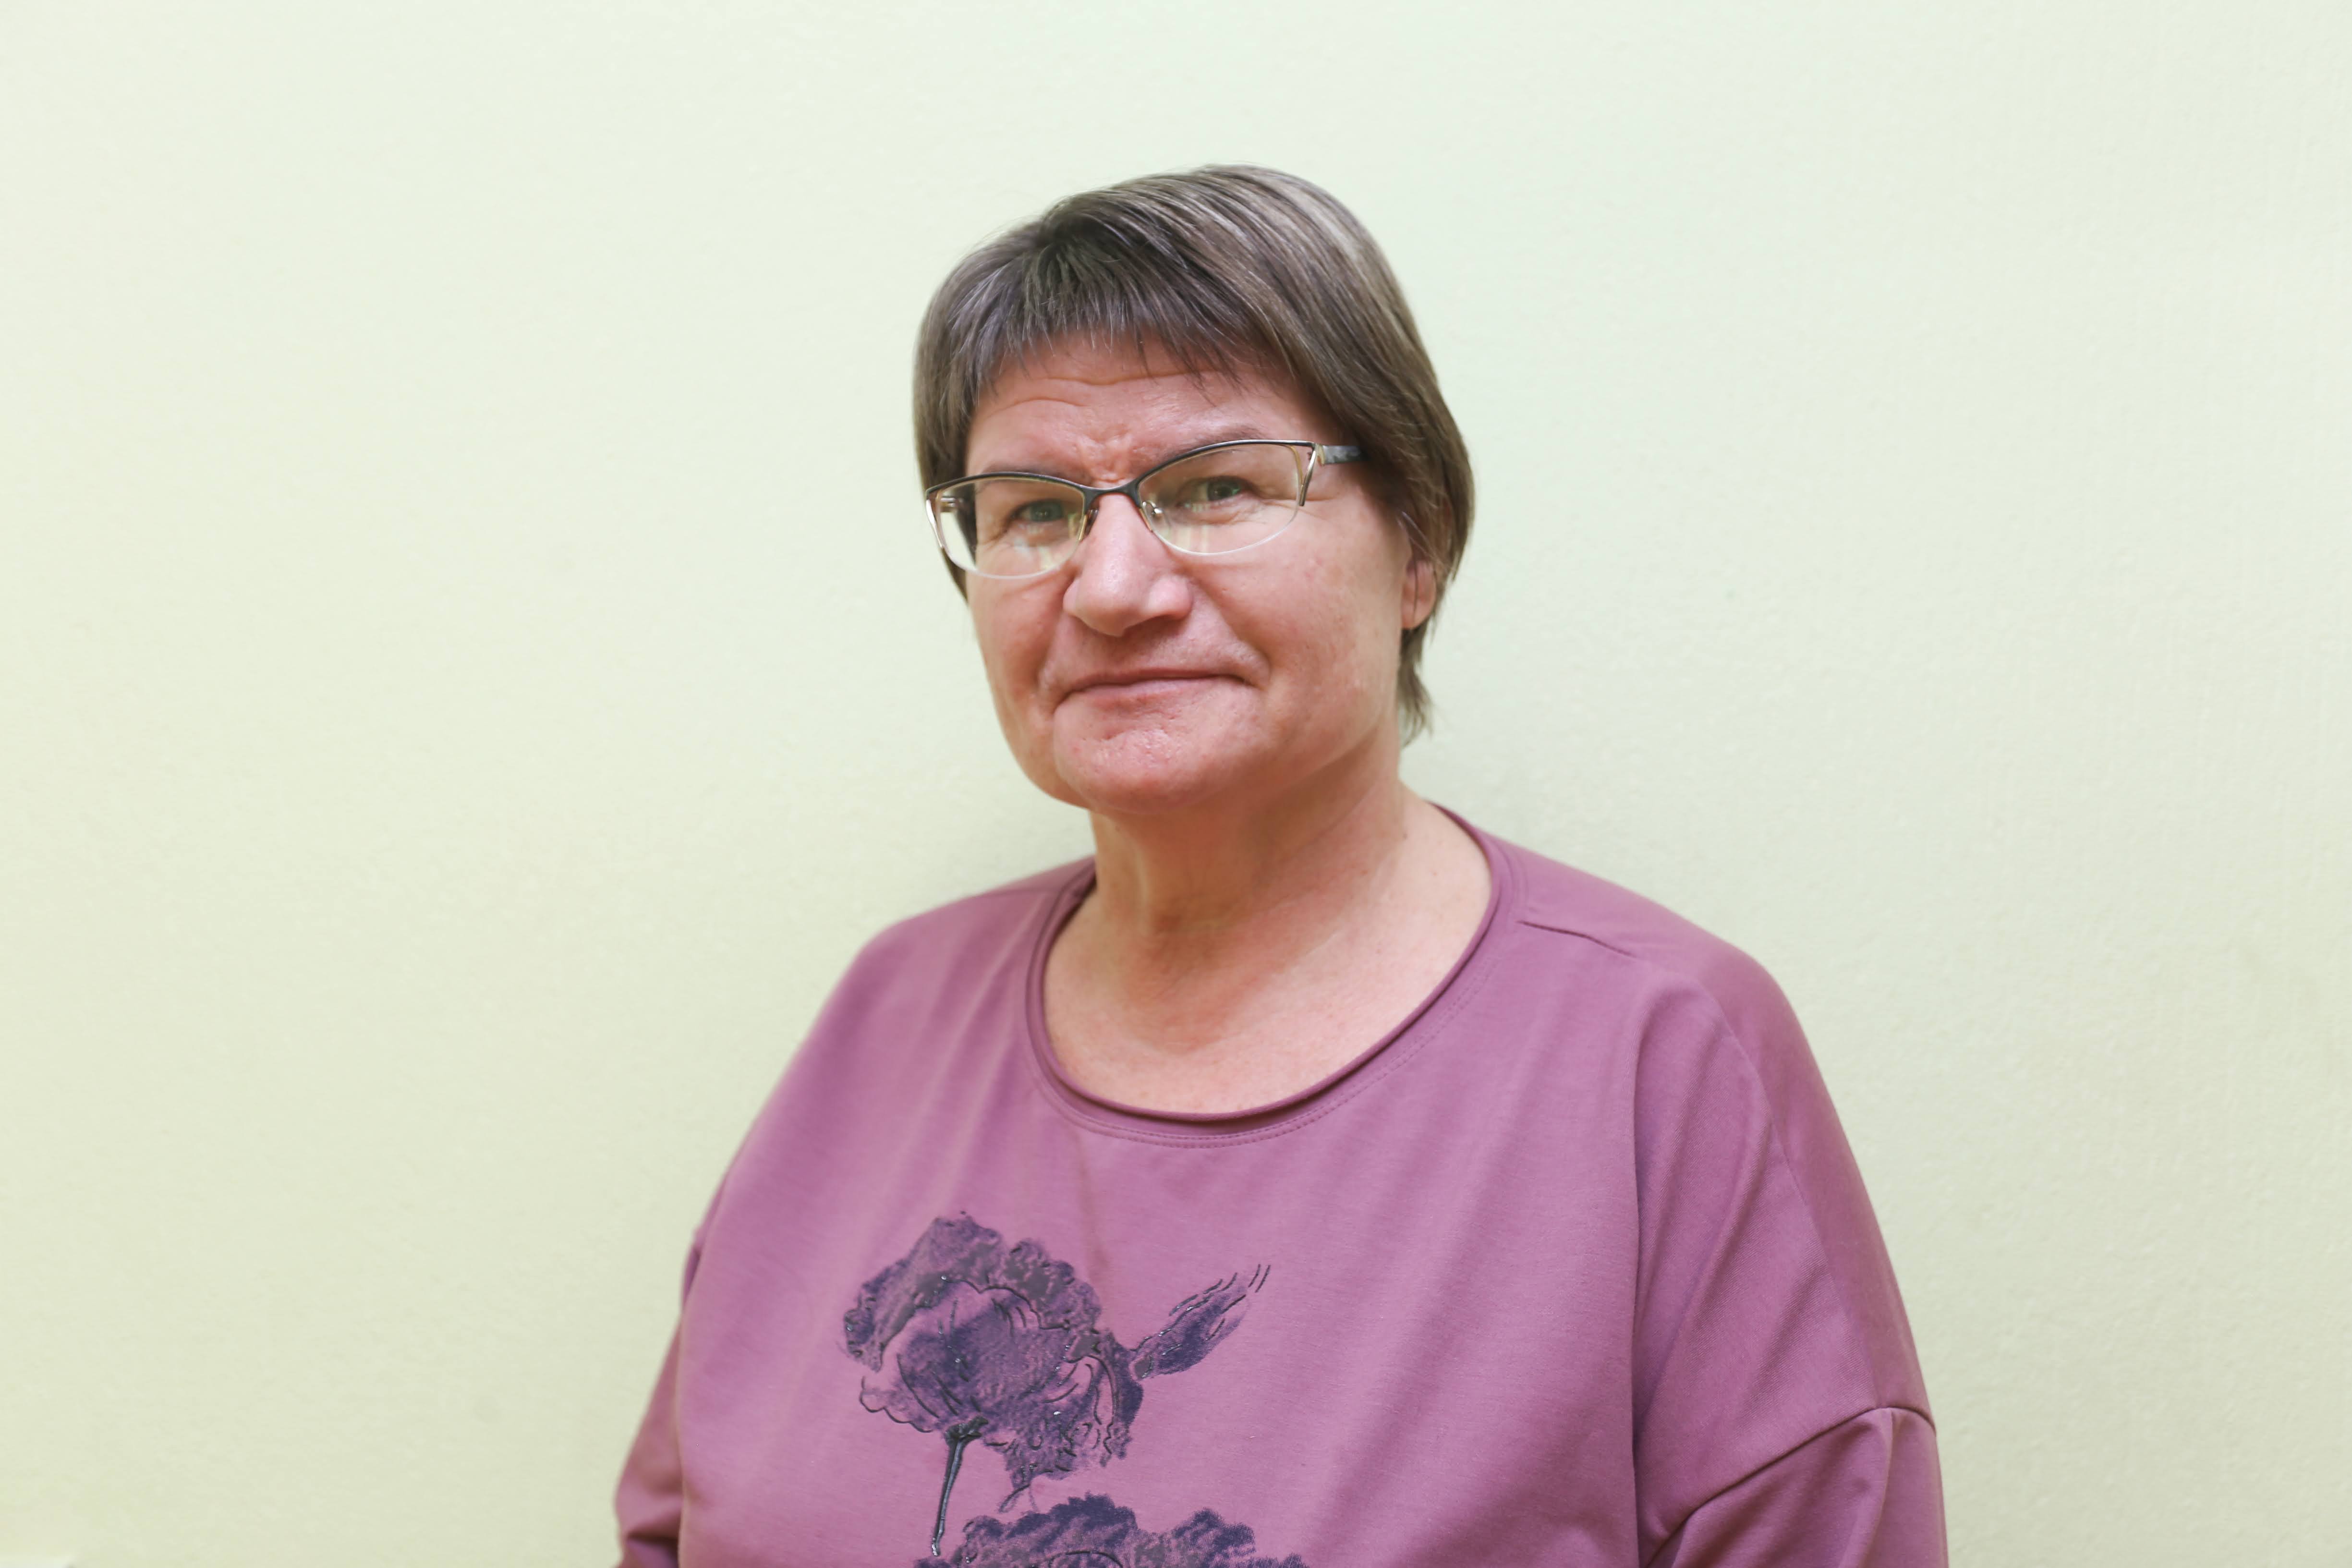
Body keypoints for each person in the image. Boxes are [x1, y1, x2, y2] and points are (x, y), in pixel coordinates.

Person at [614, 166, 1944, 1568]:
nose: (1111, 589)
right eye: (1036, 512)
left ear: (1419, 547)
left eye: (1214, 487)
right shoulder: (885, 1015)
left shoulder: (1660, 1057)